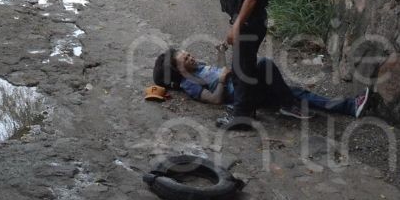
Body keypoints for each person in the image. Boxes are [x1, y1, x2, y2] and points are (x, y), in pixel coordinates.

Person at [153, 48, 369, 119]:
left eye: (187, 54)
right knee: (265, 64)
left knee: (297, 94)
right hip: (241, 94)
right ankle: (288, 105)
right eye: (185, 60)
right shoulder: (188, 84)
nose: (190, 57)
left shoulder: (198, 67)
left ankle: (350, 106)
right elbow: (215, 99)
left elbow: (222, 71)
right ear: (177, 71)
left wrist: (221, 58)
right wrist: (221, 79)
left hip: (241, 84)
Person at [217, 0, 270, 129]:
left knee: (242, 69)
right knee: (243, 67)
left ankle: (242, 117)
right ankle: (246, 109)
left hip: (249, 24)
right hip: (247, 23)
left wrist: (237, 26)